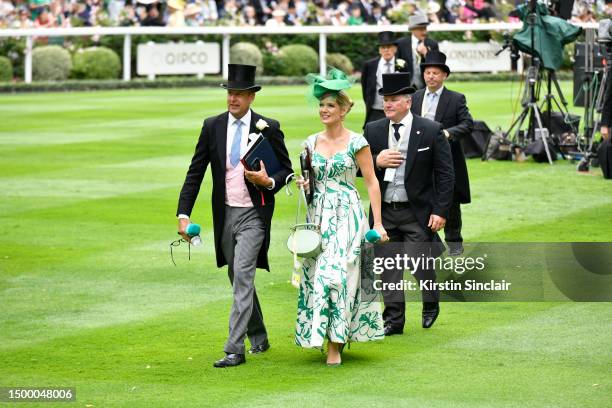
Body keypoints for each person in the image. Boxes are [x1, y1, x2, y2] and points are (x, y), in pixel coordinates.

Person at [176, 64, 293, 368]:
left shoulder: (269, 126)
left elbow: (286, 171)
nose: (233, 99)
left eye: (239, 93)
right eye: (230, 93)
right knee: (235, 275)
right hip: (225, 214)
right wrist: (183, 214)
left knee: (243, 274)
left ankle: (233, 348)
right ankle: (259, 336)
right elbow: (195, 173)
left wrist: (268, 182)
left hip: (255, 214)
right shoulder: (212, 126)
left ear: (252, 97)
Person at [295, 69, 389, 366]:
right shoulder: (310, 143)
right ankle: (324, 337)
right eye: (321, 104)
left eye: (330, 105)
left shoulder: (357, 142)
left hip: (348, 214)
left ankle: (336, 344)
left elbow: (372, 181)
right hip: (319, 216)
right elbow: (310, 181)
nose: (324, 110)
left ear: (344, 110)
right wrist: (305, 184)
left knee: (342, 277)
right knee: (319, 276)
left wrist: (377, 223)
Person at [363, 72, 454, 335]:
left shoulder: (430, 130)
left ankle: (430, 300)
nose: (387, 104)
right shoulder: (373, 130)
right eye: (385, 100)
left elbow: (446, 175)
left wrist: (440, 211)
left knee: (418, 263)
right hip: (385, 213)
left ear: (408, 102)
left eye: (393, 100)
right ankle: (393, 319)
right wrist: (376, 161)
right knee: (388, 269)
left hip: (417, 213)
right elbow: (358, 168)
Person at [410, 51, 473, 256]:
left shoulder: (455, 98)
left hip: (447, 156)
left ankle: (455, 242)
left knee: (450, 199)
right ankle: (429, 243)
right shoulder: (415, 97)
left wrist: (447, 133)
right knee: (422, 197)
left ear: (444, 75)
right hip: (420, 157)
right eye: (428, 72)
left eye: (435, 73)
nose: (431, 76)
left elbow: (467, 124)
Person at [361, 31, 410, 128]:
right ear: (379, 50)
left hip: (396, 111)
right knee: (372, 137)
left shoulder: (402, 64)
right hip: (375, 110)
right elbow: (365, 87)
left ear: (395, 49)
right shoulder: (369, 65)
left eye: (389, 47)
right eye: (383, 47)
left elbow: (406, 87)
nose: (386, 50)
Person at [395, 12, 439, 89]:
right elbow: (397, 65)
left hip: (426, 86)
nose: (424, 32)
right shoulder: (401, 44)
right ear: (412, 30)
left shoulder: (432, 44)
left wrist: (426, 54)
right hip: (405, 87)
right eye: (421, 29)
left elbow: (437, 66)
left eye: (425, 28)